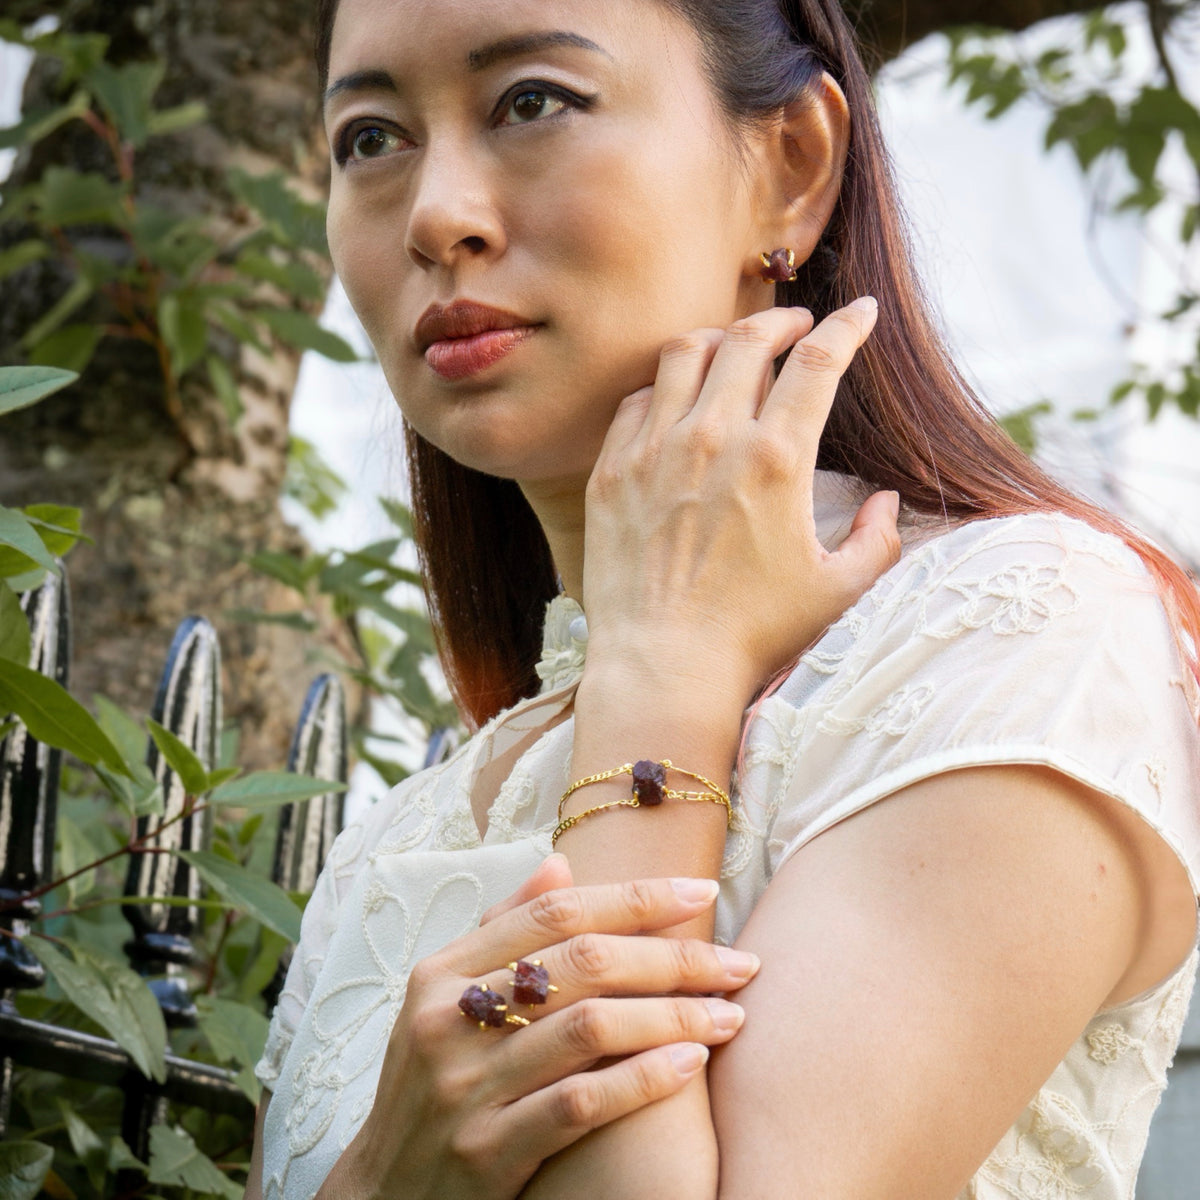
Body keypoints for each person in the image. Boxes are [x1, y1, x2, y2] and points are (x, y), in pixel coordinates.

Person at [247, 0, 1200, 1196]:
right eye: (371, 139)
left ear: (792, 165)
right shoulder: (406, 824)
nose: (436, 215)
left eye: (532, 101)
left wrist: (665, 666)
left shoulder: (1026, 630)